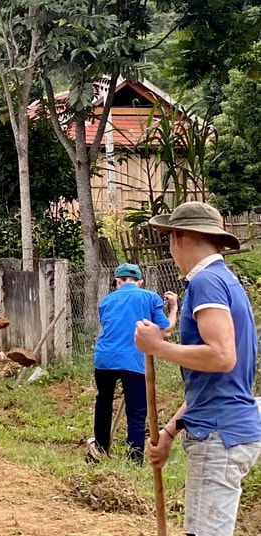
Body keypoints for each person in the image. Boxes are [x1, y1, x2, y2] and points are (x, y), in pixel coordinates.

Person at [135, 201, 261, 536]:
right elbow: (215, 384)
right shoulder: (225, 281)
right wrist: (168, 432)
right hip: (224, 427)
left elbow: (222, 357)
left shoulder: (206, 282)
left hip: (219, 435)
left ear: (177, 238)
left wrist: (157, 347)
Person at [87, 263, 178, 464]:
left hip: (105, 358)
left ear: (117, 281)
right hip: (135, 360)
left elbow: (110, 326)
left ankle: (100, 450)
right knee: (136, 411)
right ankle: (134, 459)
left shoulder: (106, 300)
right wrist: (174, 308)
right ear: (140, 282)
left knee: (103, 402)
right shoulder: (150, 297)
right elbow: (166, 332)